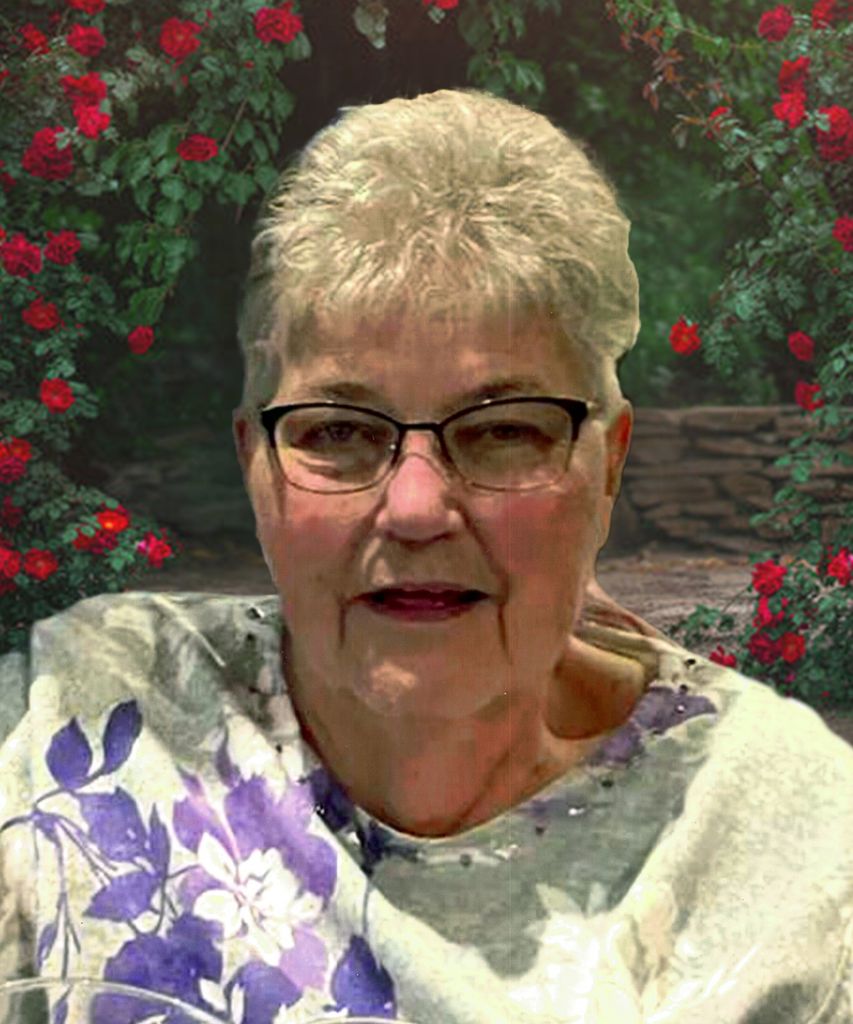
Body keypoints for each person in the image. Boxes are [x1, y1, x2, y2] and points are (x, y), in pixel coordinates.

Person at [0, 89, 851, 1024]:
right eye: (336, 431)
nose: (413, 508)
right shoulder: (85, 719)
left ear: (606, 466)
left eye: (505, 431)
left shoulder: (785, 843)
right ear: (255, 466)